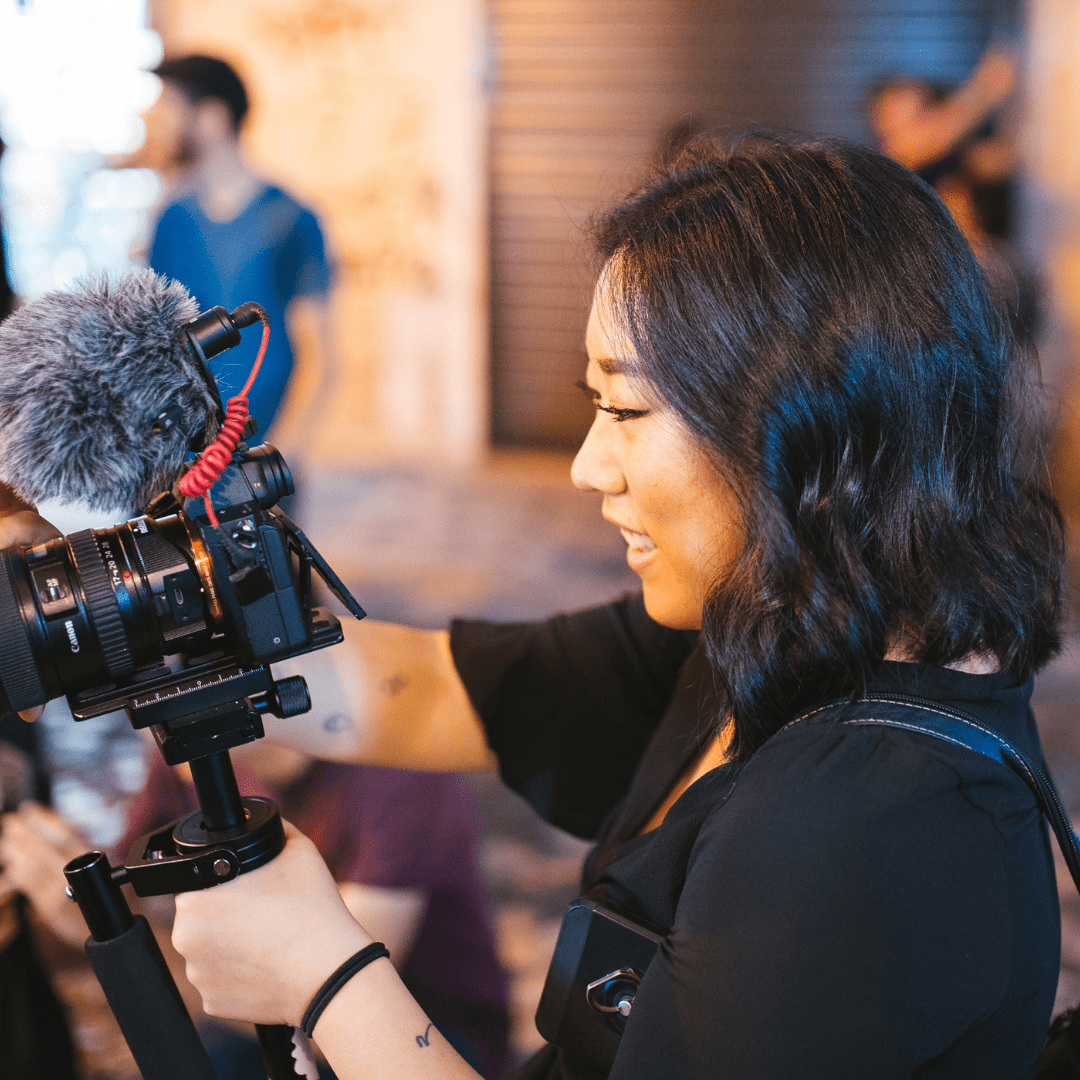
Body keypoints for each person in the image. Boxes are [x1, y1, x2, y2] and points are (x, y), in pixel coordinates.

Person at [14, 133, 1065, 1077]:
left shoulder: (866, 827)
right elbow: (439, 690)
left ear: (811, 429)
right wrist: (142, 609)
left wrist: (328, 981)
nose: (585, 466)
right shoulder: (779, 630)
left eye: (629, 408)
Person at [144, 55, 333, 438]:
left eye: (171, 107)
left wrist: (288, 450)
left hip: (264, 441)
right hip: (190, 450)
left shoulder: (289, 216)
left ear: (213, 117)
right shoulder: (171, 219)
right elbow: (155, 341)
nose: (155, 122)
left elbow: (321, 352)